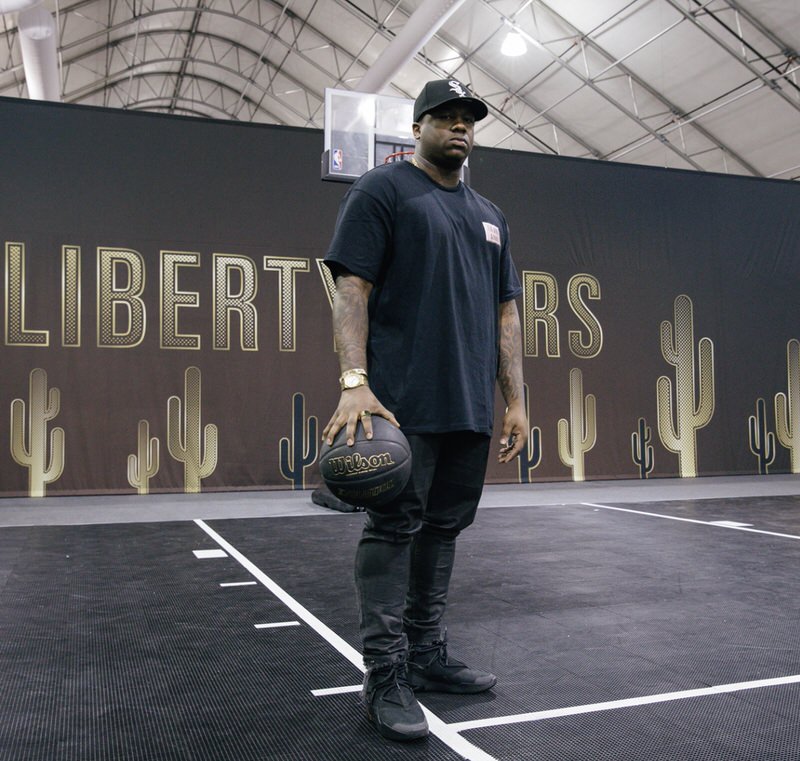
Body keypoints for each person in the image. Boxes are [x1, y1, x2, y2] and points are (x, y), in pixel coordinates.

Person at [322, 79, 528, 742]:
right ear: (417, 127)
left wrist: (516, 400)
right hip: (403, 399)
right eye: (446, 117)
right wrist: (354, 380)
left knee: (444, 528)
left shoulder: (490, 213)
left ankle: (426, 651)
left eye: (469, 118)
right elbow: (351, 287)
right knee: (394, 527)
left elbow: (506, 313)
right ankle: (384, 672)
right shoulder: (382, 192)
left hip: (468, 402)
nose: (460, 127)